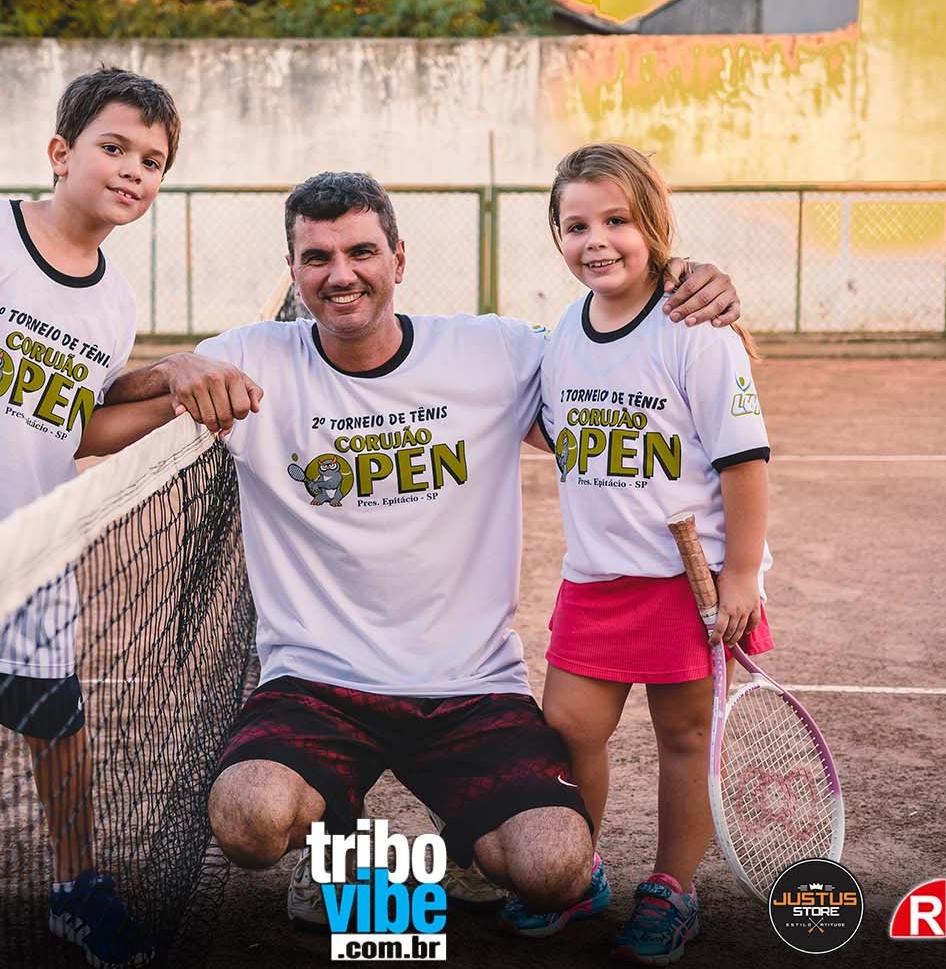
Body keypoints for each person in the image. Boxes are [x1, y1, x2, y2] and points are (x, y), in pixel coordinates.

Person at [190, 171, 746, 934]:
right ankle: (338, 852)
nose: (341, 273)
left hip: (469, 687)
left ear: (399, 258)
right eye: (317, 257)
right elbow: (106, 420)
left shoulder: (495, 352)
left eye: (361, 251)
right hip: (316, 684)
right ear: (293, 271)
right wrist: (173, 369)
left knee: (554, 871)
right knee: (248, 818)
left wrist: (680, 284)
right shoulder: (248, 360)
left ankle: (461, 847)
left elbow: (622, 364)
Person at [0, 67, 258, 969]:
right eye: (114, 147)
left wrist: (172, 408)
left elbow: (77, 427)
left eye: (152, 161)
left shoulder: (114, 301)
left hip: (35, 556)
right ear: (60, 152)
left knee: (59, 729)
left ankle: (78, 888)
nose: (132, 171)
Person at [519, 143, 774, 963]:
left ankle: (672, 889)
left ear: (653, 224)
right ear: (558, 237)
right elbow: (555, 428)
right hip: (596, 580)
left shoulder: (695, 331)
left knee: (685, 738)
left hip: (685, 585)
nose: (596, 241)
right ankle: (575, 871)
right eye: (576, 226)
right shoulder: (562, 332)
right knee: (567, 730)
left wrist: (742, 575)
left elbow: (745, 462)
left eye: (616, 221)